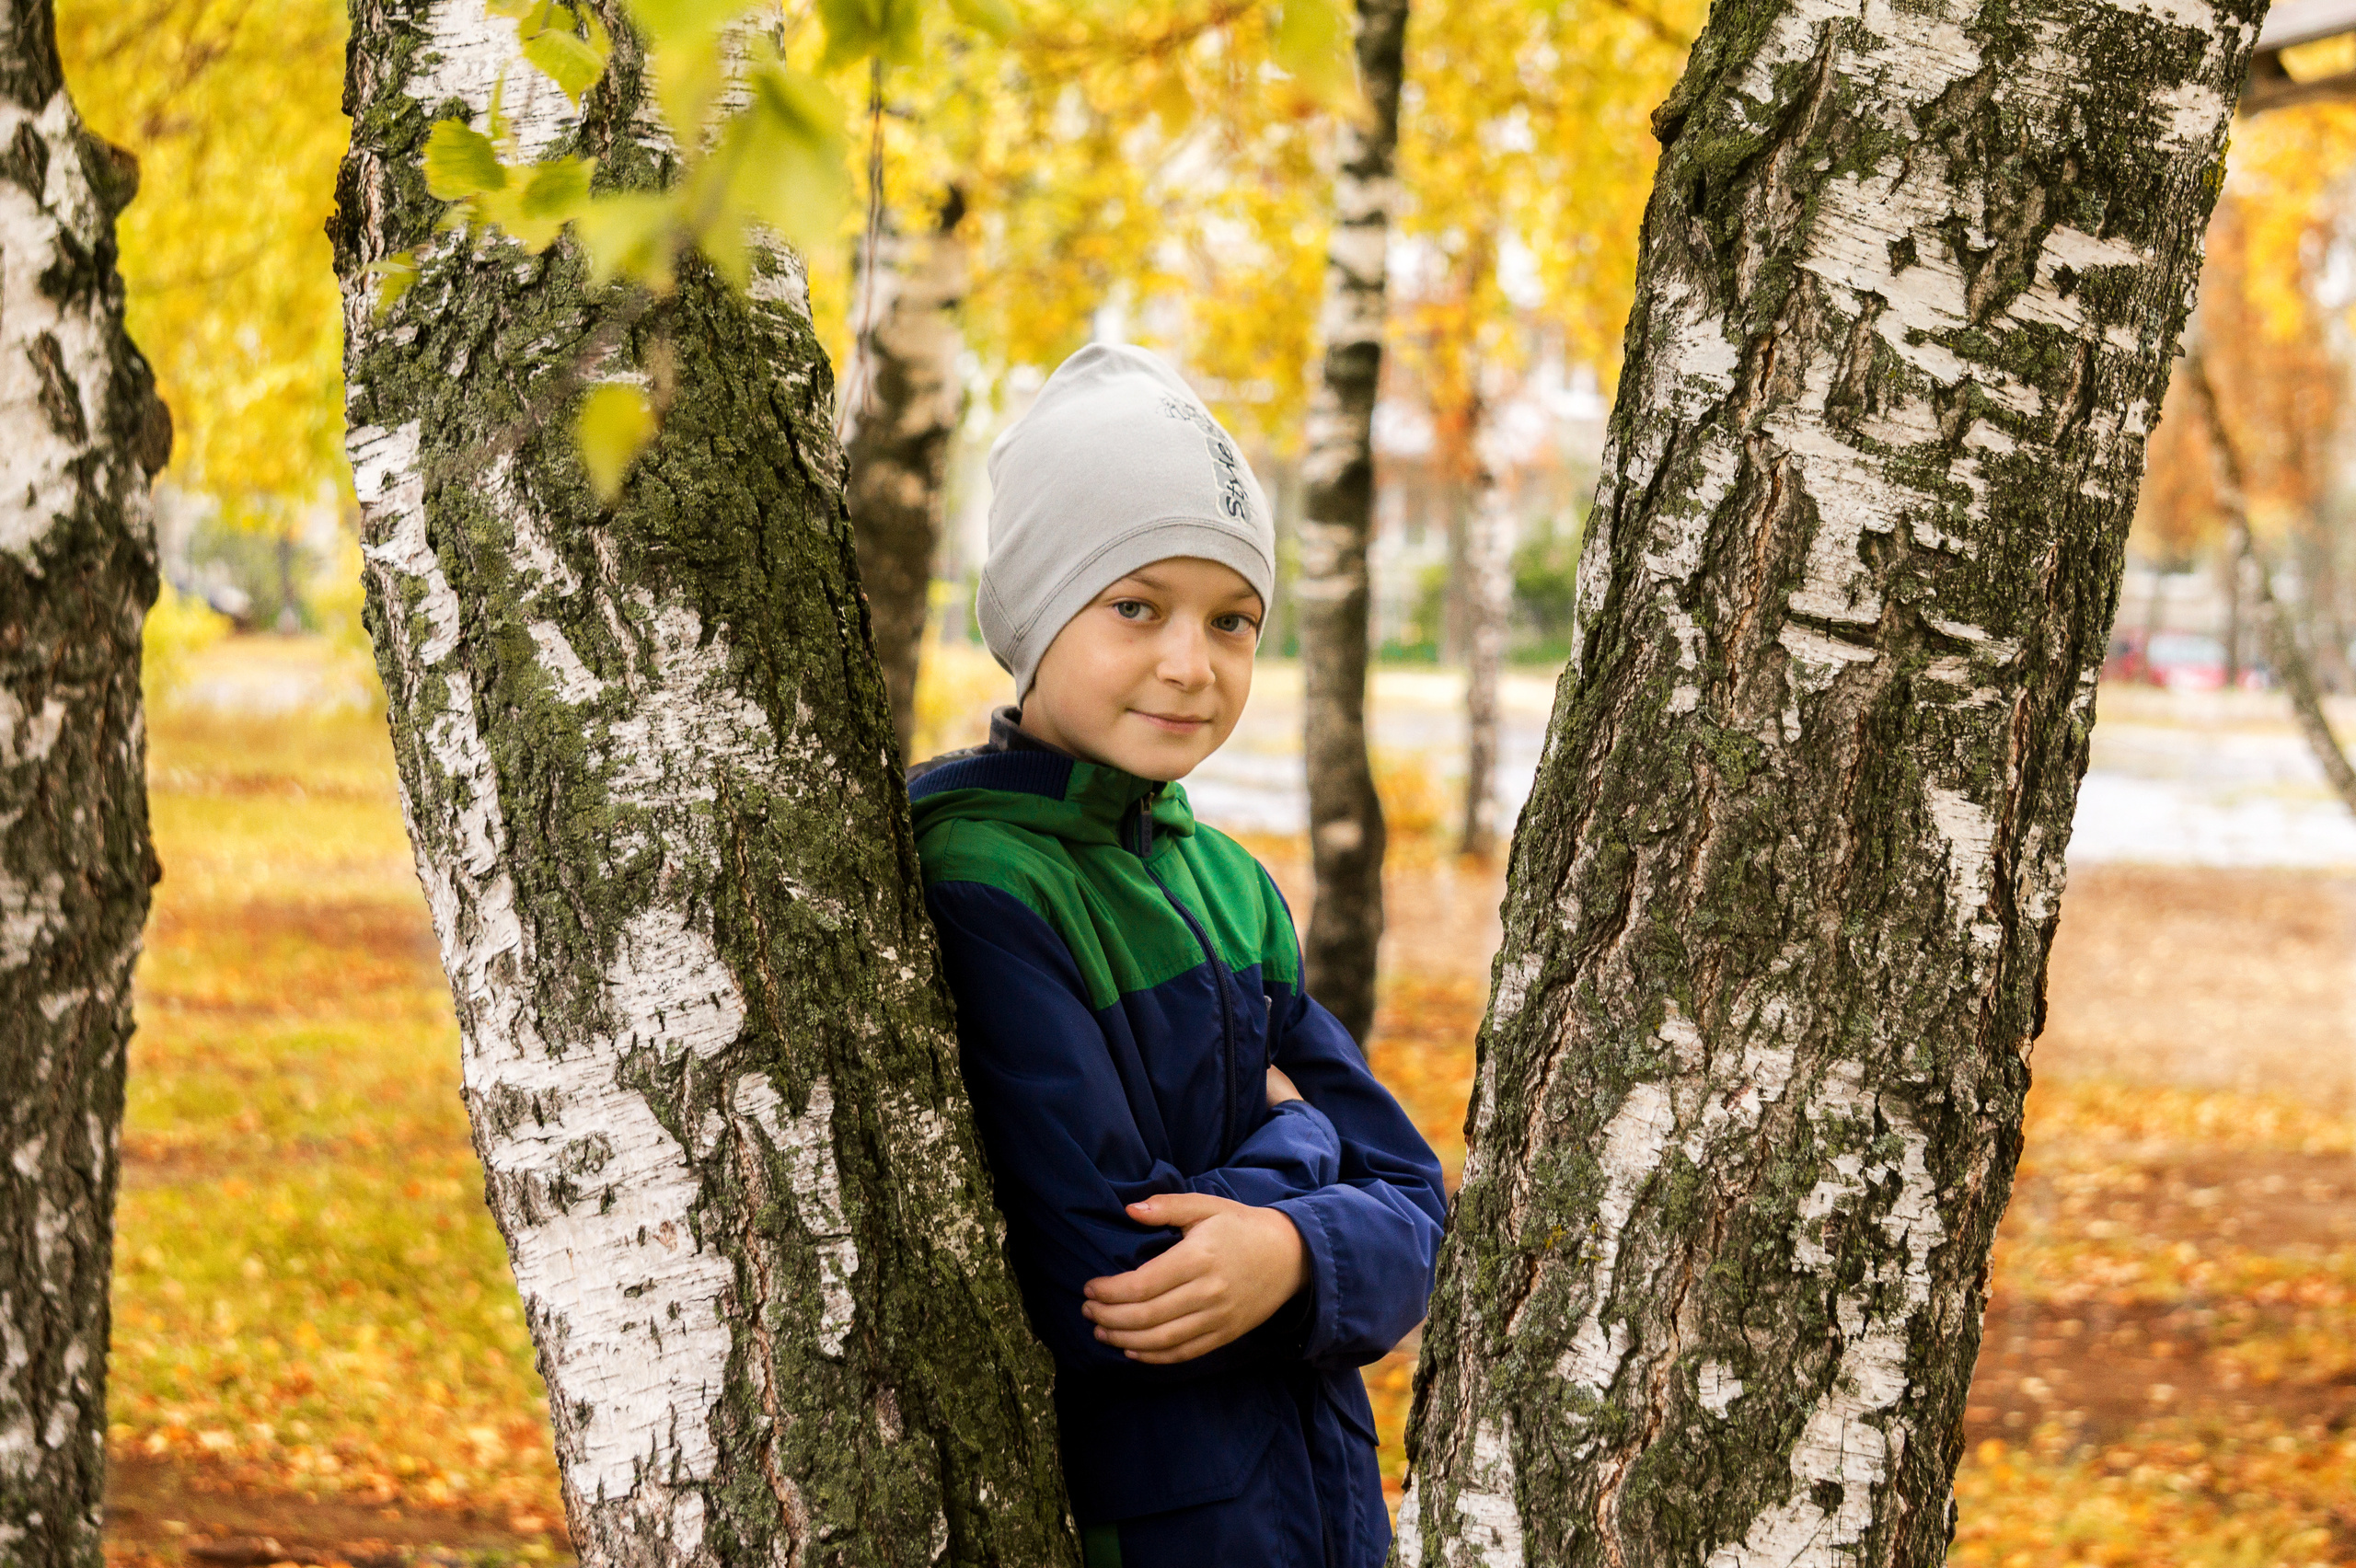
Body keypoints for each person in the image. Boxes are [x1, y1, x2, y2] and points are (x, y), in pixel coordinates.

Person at [907, 344, 1448, 1568]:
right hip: (1160, 1529)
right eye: (1136, 608)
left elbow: (1419, 1207)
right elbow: (1124, 1288)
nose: (1190, 665)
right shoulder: (991, 885)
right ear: (1039, 615)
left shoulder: (1233, 888)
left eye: (1233, 620)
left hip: (1322, 1510)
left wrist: (1291, 1248)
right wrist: (1306, 1152)